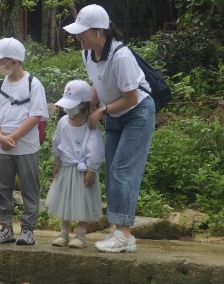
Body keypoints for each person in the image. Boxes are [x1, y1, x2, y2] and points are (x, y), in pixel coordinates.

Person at [63, 4, 156, 253]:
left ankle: (124, 235)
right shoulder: (88, 53)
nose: (77, 36)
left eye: (82, 31)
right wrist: (87, 108)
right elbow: (98, 85)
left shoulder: (121, 56)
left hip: (137, 114)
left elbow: (132, 98)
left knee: (123, 171)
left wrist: (102, 111)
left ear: (98, 31)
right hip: (114, 114)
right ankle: (120, 231)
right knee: (113, 170)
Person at [0, 37, 49, 245]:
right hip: (1, 147)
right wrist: (0, 137)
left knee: (30, 188)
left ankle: (28, 230)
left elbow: (35, 116)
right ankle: (6, 227)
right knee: (3, 187)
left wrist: (12, 137)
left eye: (1, 61)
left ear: (14, 60)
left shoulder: (33, 84)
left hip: (26, 146)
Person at [46, 80, 104, 248]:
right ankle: (63, 233)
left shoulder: (90, 124)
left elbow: (96, 146)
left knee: (83, 202)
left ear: (84, 104)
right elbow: (56, 142)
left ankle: (81, 235)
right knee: (65, 200)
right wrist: (57, 161)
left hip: (84, 170)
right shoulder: (63, 121)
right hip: (66, 168)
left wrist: (92, 169)